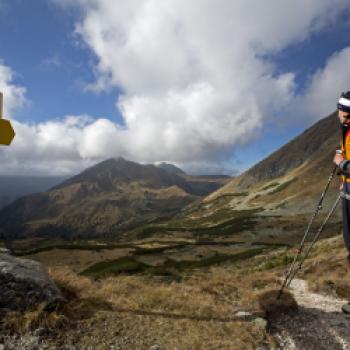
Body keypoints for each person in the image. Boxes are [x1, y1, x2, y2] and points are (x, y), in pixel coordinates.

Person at [334, 91, 350, 263]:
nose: (346, 119)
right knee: (348, 233)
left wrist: (341, 164)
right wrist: (343, 180)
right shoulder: (345, 129)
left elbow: (344, 161)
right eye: (345, 115)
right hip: (347, 186)